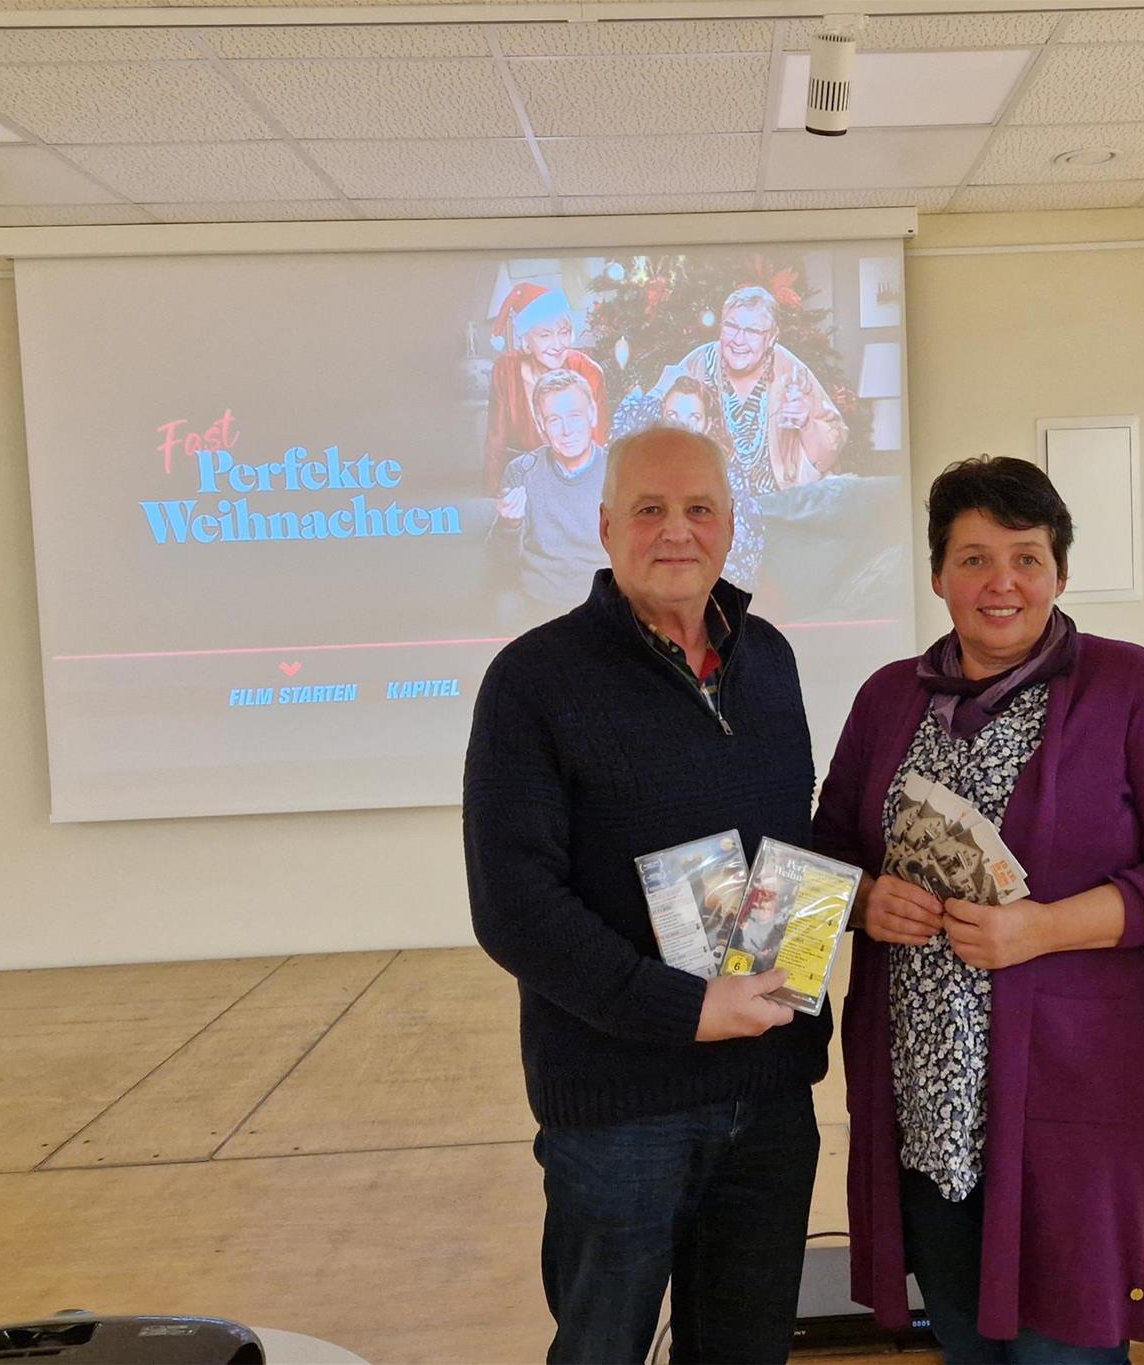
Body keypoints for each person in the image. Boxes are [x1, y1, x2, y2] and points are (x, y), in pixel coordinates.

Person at [813, 456, 1144, 1362]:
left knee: (1063, 1347)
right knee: (966, 1339)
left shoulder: (1128, 686)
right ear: (937, 574)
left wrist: (1044, 927)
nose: (1000, 582)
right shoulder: (890, 697)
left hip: (1071, 1100)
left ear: (1060, 572)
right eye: (973, 558)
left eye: (1026, 557)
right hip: (923, 1101)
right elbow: (827, 850)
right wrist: (862, 901)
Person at [466, 425, 825, 1365]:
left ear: (730, 524)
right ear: (603, 524)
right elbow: (513, 906)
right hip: (621, 1110)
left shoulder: (771, 659)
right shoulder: (534, 681)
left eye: (699, 508)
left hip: (770, 1099)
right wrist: (686, 1008)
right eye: (650, 509)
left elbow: (791, 846)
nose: (677, 531)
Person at [676, 285, 846, 495]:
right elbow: (650, 419)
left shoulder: (791, 371)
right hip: (709, 499)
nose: (738, 340)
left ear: (772, 337)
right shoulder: (697, 364)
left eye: (753, 331)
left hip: (779, 502)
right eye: (731, 326)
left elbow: (833, 439)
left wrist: (806, 424)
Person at [494, 370, 609, 616]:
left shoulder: (620, 472)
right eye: (554, 420)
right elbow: (500, 565)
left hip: (602, 607)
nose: (566, 430)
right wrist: (509, 525)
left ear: (592, 414)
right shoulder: (521, 472)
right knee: (504, 608)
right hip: (537, 606)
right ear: (540, 425)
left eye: (574, 416)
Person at [483, 283, 607, 495]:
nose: (558, 345)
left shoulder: (588, 371)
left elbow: (598, 440)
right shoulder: (506, 369)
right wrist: (493, 490)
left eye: (564, 332)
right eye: (545, 335)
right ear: (526, 340)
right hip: (524, 479)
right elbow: (497, 436)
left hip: (576, 482)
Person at [661, 374, 766, 591]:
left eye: (693, 417)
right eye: (672, 415)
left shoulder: (730, 479)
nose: (681, 426)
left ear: (707, 424)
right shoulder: (638, 475)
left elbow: (743, 562)